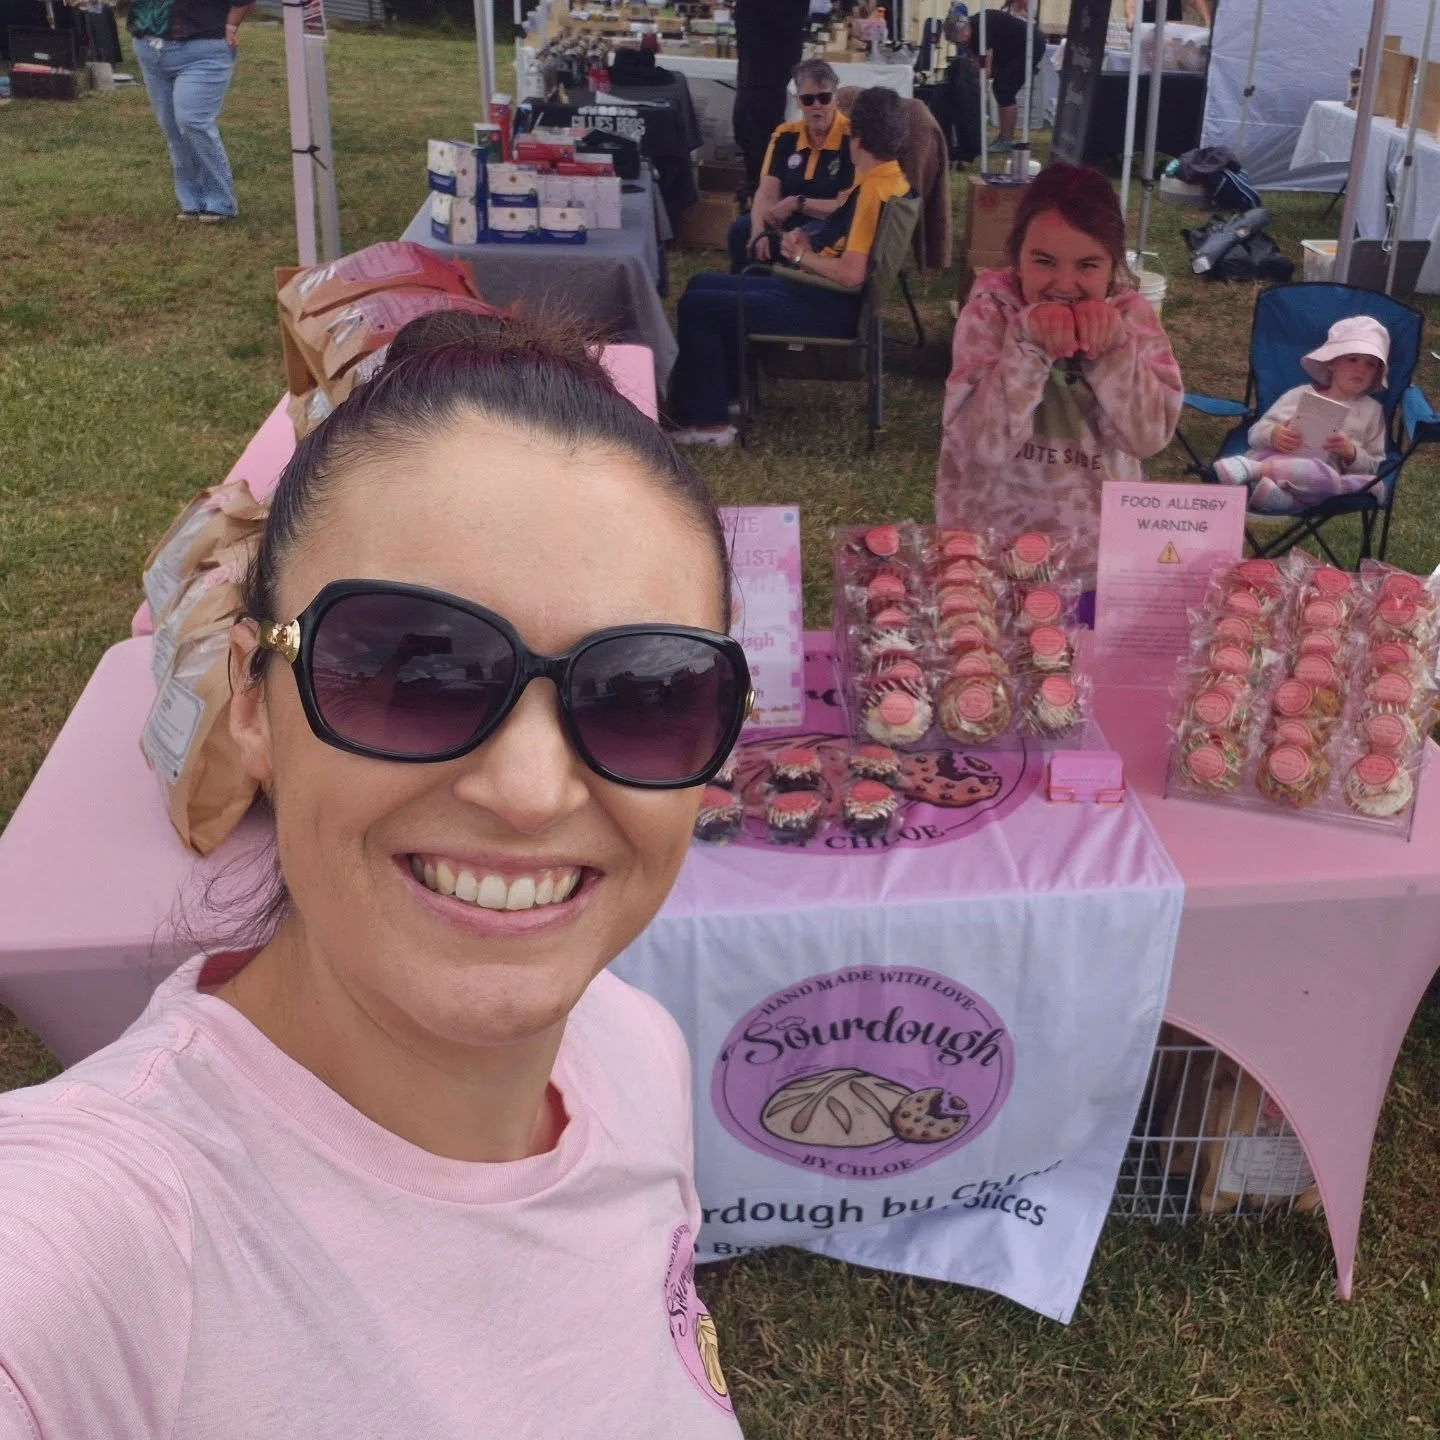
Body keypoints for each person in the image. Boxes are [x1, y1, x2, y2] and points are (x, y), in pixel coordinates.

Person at [0, 311, 752, 1438]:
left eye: (646, 693)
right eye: (413, 667)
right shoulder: (103, 1251)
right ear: (253, 702)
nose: (533, 789)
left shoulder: (635, 1049)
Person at [935, 162, 1182, 586]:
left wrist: (1113, 351)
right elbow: (986, 445)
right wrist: (1027, 343)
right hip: (989, 544)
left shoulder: (1133, 320)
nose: (1064, 284)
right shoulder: (989, 312)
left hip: (1092, 552)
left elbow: (1147, 438)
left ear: (1113, 265)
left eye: (1088, 265)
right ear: (1017, 257)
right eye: (1045, 261)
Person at [668, 85, 912, 446]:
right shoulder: (890, 179)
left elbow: (851, 274)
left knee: (698, 305)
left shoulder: (872, 191)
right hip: (824, 296)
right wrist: (808, 243)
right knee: (701, 284)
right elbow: (846, 241)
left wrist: (800, 258)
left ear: (856, 138)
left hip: (827, 306)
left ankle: (709, 424)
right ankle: (727, 397)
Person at [1210, 316, 1390, 514]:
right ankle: (1254, 470)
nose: (1360, 369)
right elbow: (1256, 433)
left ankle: (1283, 501)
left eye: (1371, 364)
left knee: (1326, 478)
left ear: (1377, 372)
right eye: (1352, 359)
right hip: (1274, 460)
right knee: (1329, 479)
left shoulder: (1372, 411)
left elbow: (1373, 465)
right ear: (1331, 363)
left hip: (1317, 483)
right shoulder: (1301, 395)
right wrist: (1274, 435)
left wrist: (1351, 453)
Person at [128, 0, 253, 221]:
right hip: (149, 49)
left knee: (192, 121)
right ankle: (192, 201)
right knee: (173, 128)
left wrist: (231, 27)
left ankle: (221, 201)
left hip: (204, 48)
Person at [728, 60, 856, 272]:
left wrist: (798, 203)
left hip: (829, 222)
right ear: (797, 101)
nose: (817, 106)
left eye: (824, 98)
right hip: (784, 218)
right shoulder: (785, 135)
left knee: (799, 239)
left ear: (835, 98)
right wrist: (758, 231)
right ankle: (746, 293)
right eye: (808, 100)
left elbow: (846, 206)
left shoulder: (851, 139)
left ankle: (783, 293)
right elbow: (766, 192)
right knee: (742, 230)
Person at [733, 0, 811, 195]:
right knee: (747, 118)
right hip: (756, 45)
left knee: (761, 118)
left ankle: (765, 185)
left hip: (771, 47)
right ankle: (758, 181)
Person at [966, 1, 1044, 151]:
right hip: (1013, 47)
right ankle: (1004, 137)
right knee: (1001, 87)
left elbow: (986, 68)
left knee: (1004, 89)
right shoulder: (971, 32)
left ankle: (1006, 140)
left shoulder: (980, 29)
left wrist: (979, 87)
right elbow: (978, 63)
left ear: (965, 29)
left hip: (1029, 44)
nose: (960, 42)